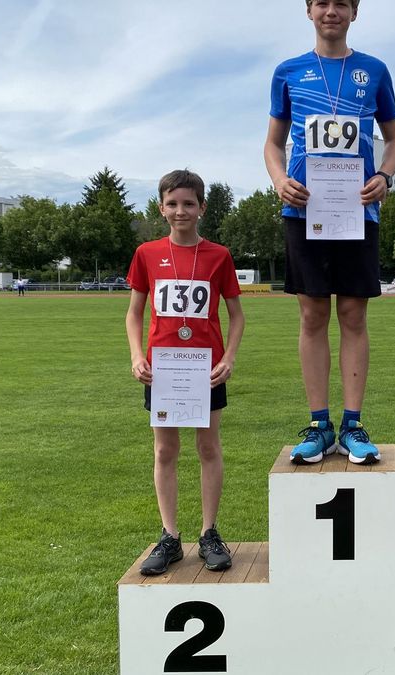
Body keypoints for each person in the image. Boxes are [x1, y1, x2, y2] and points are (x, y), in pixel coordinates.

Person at [264, 0, 395, 465]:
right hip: (305, 210)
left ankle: (353, 424)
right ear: (308, 11)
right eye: (321, 2)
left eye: (340, 3)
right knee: (311, 316)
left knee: (353, 314)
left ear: (354, 12)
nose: (331, 11)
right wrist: (279, 180)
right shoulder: (287, 71)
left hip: (358, 212)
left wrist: (383, 177)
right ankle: (320, 425)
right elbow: (273, 143)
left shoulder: (374, 70)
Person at [125, 169, 246, 575]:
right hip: (161, 370)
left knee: (208, 448)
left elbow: (237, 315)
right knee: (165, 450)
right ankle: (170, 536)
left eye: (188, 203)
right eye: (173, 203)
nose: (181, 211)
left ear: (202, 208)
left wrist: (228, 357)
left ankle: (209, 533)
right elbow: (134, 313)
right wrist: (135, 356)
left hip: (205, 369)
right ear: (161, 208)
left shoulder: (219, 256)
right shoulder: (146, 254)